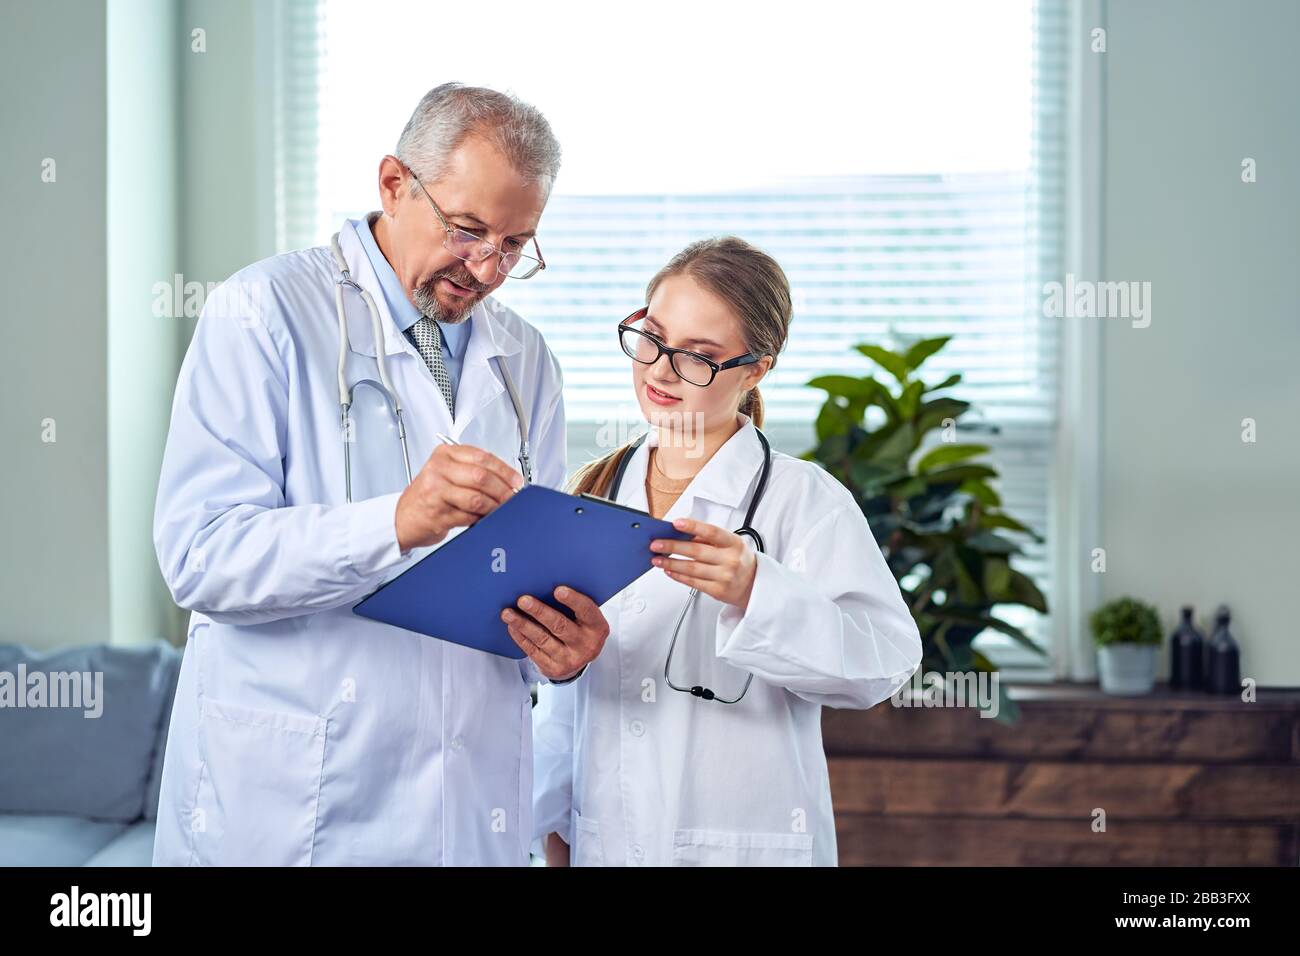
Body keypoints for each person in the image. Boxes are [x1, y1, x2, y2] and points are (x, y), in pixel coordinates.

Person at [151, 83, 605, 866]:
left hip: (468, 805)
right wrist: (394, 522)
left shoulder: (526, 360)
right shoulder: (263, 311)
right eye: (468, 230)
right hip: (299, 800)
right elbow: (199, 557)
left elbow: (527, 575)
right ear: (394, 183)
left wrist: (556, 643)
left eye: (514, 245)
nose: (487, 268)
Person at [530, 236, 922, 866]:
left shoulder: (803, 500)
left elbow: (883, 664)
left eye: (698, 356)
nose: (659, 369)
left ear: (756, 368)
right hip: (604, 844)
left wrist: (757, 590)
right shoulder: (592, 492)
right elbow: (560, 713)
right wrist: (556, 840)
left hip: (747, 846)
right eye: (652, 337)